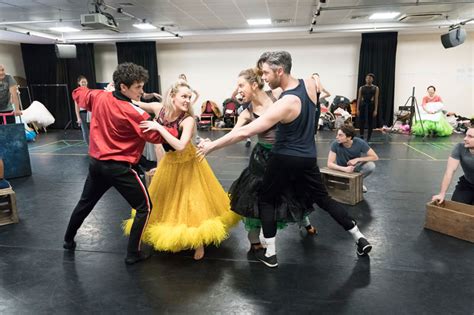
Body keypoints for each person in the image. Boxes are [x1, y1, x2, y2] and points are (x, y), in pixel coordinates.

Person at [198, 51, 372, 268]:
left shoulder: (285, 102)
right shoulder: (309, 84)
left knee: (266, 199)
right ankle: (359, 237)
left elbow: (244, 133)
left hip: (283, 157)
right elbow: (316, 82)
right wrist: (317, 80)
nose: (264, 78)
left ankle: (270, 254)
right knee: (324, 199)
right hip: (308, 157)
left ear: (280, 71)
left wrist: (212, 146)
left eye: (266, 73)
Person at [63, 63, 177, 265]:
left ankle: (68, 240)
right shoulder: (134, 112)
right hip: (119, 169)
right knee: (145, 207)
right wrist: (175, 129)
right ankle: (133, 253)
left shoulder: (99, 96)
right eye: (138, 87)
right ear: (123, 87)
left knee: (85, 203)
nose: (142, 92)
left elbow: (77, 92)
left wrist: (103, 90)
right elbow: (156, 137)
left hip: (97, 165)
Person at [202, 68, 317, 252]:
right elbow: (235, 134)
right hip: (262, 158)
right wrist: (212, 144)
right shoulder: (247, 112)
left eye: (241, 85)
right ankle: (254, 238)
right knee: (256, 195)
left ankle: (304, 221)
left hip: (285, 155)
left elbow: (299, 85)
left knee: (292, 191)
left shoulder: (278, 95)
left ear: (254, 84)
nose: (237, 90)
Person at [123, 79, 240, 260]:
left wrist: (158, 127)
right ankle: (174, 236)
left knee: (192, 202)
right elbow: (133, 103)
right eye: (183, 96)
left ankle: (198, 242)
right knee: (168, 201)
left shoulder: (188, 120)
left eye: (189, 97)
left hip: (188, 163)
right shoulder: (158, 108)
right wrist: (114, 91)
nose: (187, 100)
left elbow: (180, 145)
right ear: (172, 96)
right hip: (169, 164)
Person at [327, 124, 378, 193]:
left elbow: (375, 157)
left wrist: (357, 159)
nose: (337, 137)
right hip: (341, 169)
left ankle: (358, 182)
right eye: (337, 134)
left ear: (349, 137)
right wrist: (344, 169)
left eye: (340, 135)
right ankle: (350, 182)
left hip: (354, 169)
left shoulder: (360, 143)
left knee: (371, 165)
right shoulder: (335, 144)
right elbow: (329, 163)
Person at [432, 127, 474, 205]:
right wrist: (442, 193)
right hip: (467, 183)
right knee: (456, 206)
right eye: (466, 135)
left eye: (470, 136)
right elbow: (450, 171)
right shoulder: (460, 147)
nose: (465, 138)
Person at [357, 73, 379, 142]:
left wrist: (375, 110)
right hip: (363, 105)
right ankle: (361, 135)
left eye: (370, 78)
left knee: (370, 122)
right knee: (362, 121)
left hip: (371, 105)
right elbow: (359, 99)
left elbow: (376, 99)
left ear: (372, 79)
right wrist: (357, 109)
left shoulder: (376, 88)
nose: (368, 79)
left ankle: (369, 137)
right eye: (367, 78)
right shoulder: (361, 88)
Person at [74, 76, 90, 145]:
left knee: (93, 130)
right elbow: (76, 106)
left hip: (90, 112)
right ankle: (89, 146)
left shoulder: (89, 91)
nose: (84, 83)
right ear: (79, 83)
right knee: (85, 131)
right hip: (83, 113)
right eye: (82, 82)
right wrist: (78, 117)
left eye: (85, 82)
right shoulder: (77, 92)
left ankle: (95, 146)